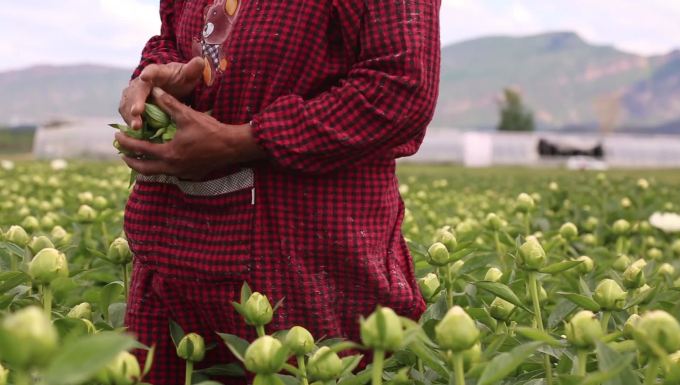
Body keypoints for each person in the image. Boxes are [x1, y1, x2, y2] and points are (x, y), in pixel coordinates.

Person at [116, 0, 440, 383]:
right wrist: (155, 76)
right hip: (172, 244)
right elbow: (172, 36)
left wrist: (245, 140)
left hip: (303, 254)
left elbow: (400, 89)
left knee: (311, 369)